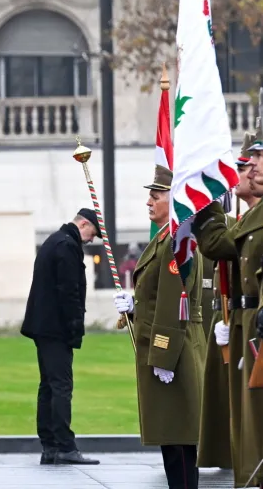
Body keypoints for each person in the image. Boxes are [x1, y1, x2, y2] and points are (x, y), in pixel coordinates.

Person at [114, 165, 206, 489]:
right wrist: (134, 306)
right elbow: (154, 298)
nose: (149, 202)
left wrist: (163, 355)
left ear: (174, 198)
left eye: (156, 195)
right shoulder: (167, 238)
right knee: (172, 440)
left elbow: (174, 300)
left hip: (174, 353)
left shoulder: (179, 239)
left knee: (179, 441)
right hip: (167, 351)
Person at [194, 129, 263, 488]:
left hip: (254, 322)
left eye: (252, 162)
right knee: (244, 416)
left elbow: (222, 246)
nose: (245, 170)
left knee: (253, 414)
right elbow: (221, 245)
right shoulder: (250, 218)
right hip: (242, 320)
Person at [20, 208, 101, 466]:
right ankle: (65, 445)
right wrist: (75, 326)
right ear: (84, 223)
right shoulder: (67, 246)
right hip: (56, 328)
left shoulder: (54, 241)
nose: (91, 240)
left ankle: (50, 445)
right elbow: (69, 292)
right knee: (61, 386)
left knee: (48, 386)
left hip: (43, 326)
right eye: (92, 233)